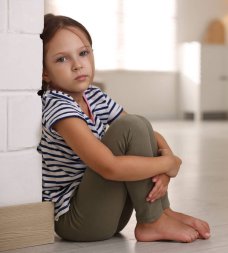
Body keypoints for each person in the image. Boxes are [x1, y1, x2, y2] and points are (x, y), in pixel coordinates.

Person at [37, 13, 210, 243]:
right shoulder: (58, 106)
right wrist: (167, 164)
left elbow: (146, 133)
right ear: (44, 72)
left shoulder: (93, 96)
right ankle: (152, 221)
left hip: (108, 213)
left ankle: (161, 214)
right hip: (77, 221)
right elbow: (109, 168)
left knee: (138, 123)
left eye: (83, 53)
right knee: (129, 126)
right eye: (62, 59)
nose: (78, 64)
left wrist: (167, 158)